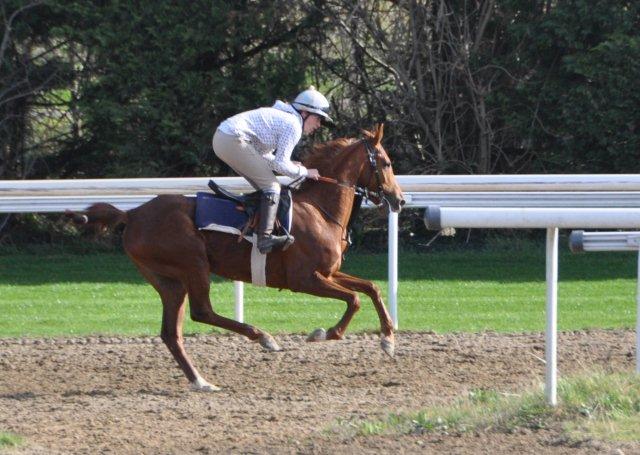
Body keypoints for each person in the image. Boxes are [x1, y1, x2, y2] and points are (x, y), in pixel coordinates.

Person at [212, 86, 332, 254]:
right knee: (272, 187)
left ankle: (256, 228)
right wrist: (305, 172)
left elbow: (268, 158)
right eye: (318, 118)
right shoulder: (293, 124)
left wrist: (291, 165)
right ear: (304, 113)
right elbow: (280, 165)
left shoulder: (286, 118)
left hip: (225, 138)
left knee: (266, 186)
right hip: (232, 139)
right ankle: (265, 238)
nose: (319, 125)